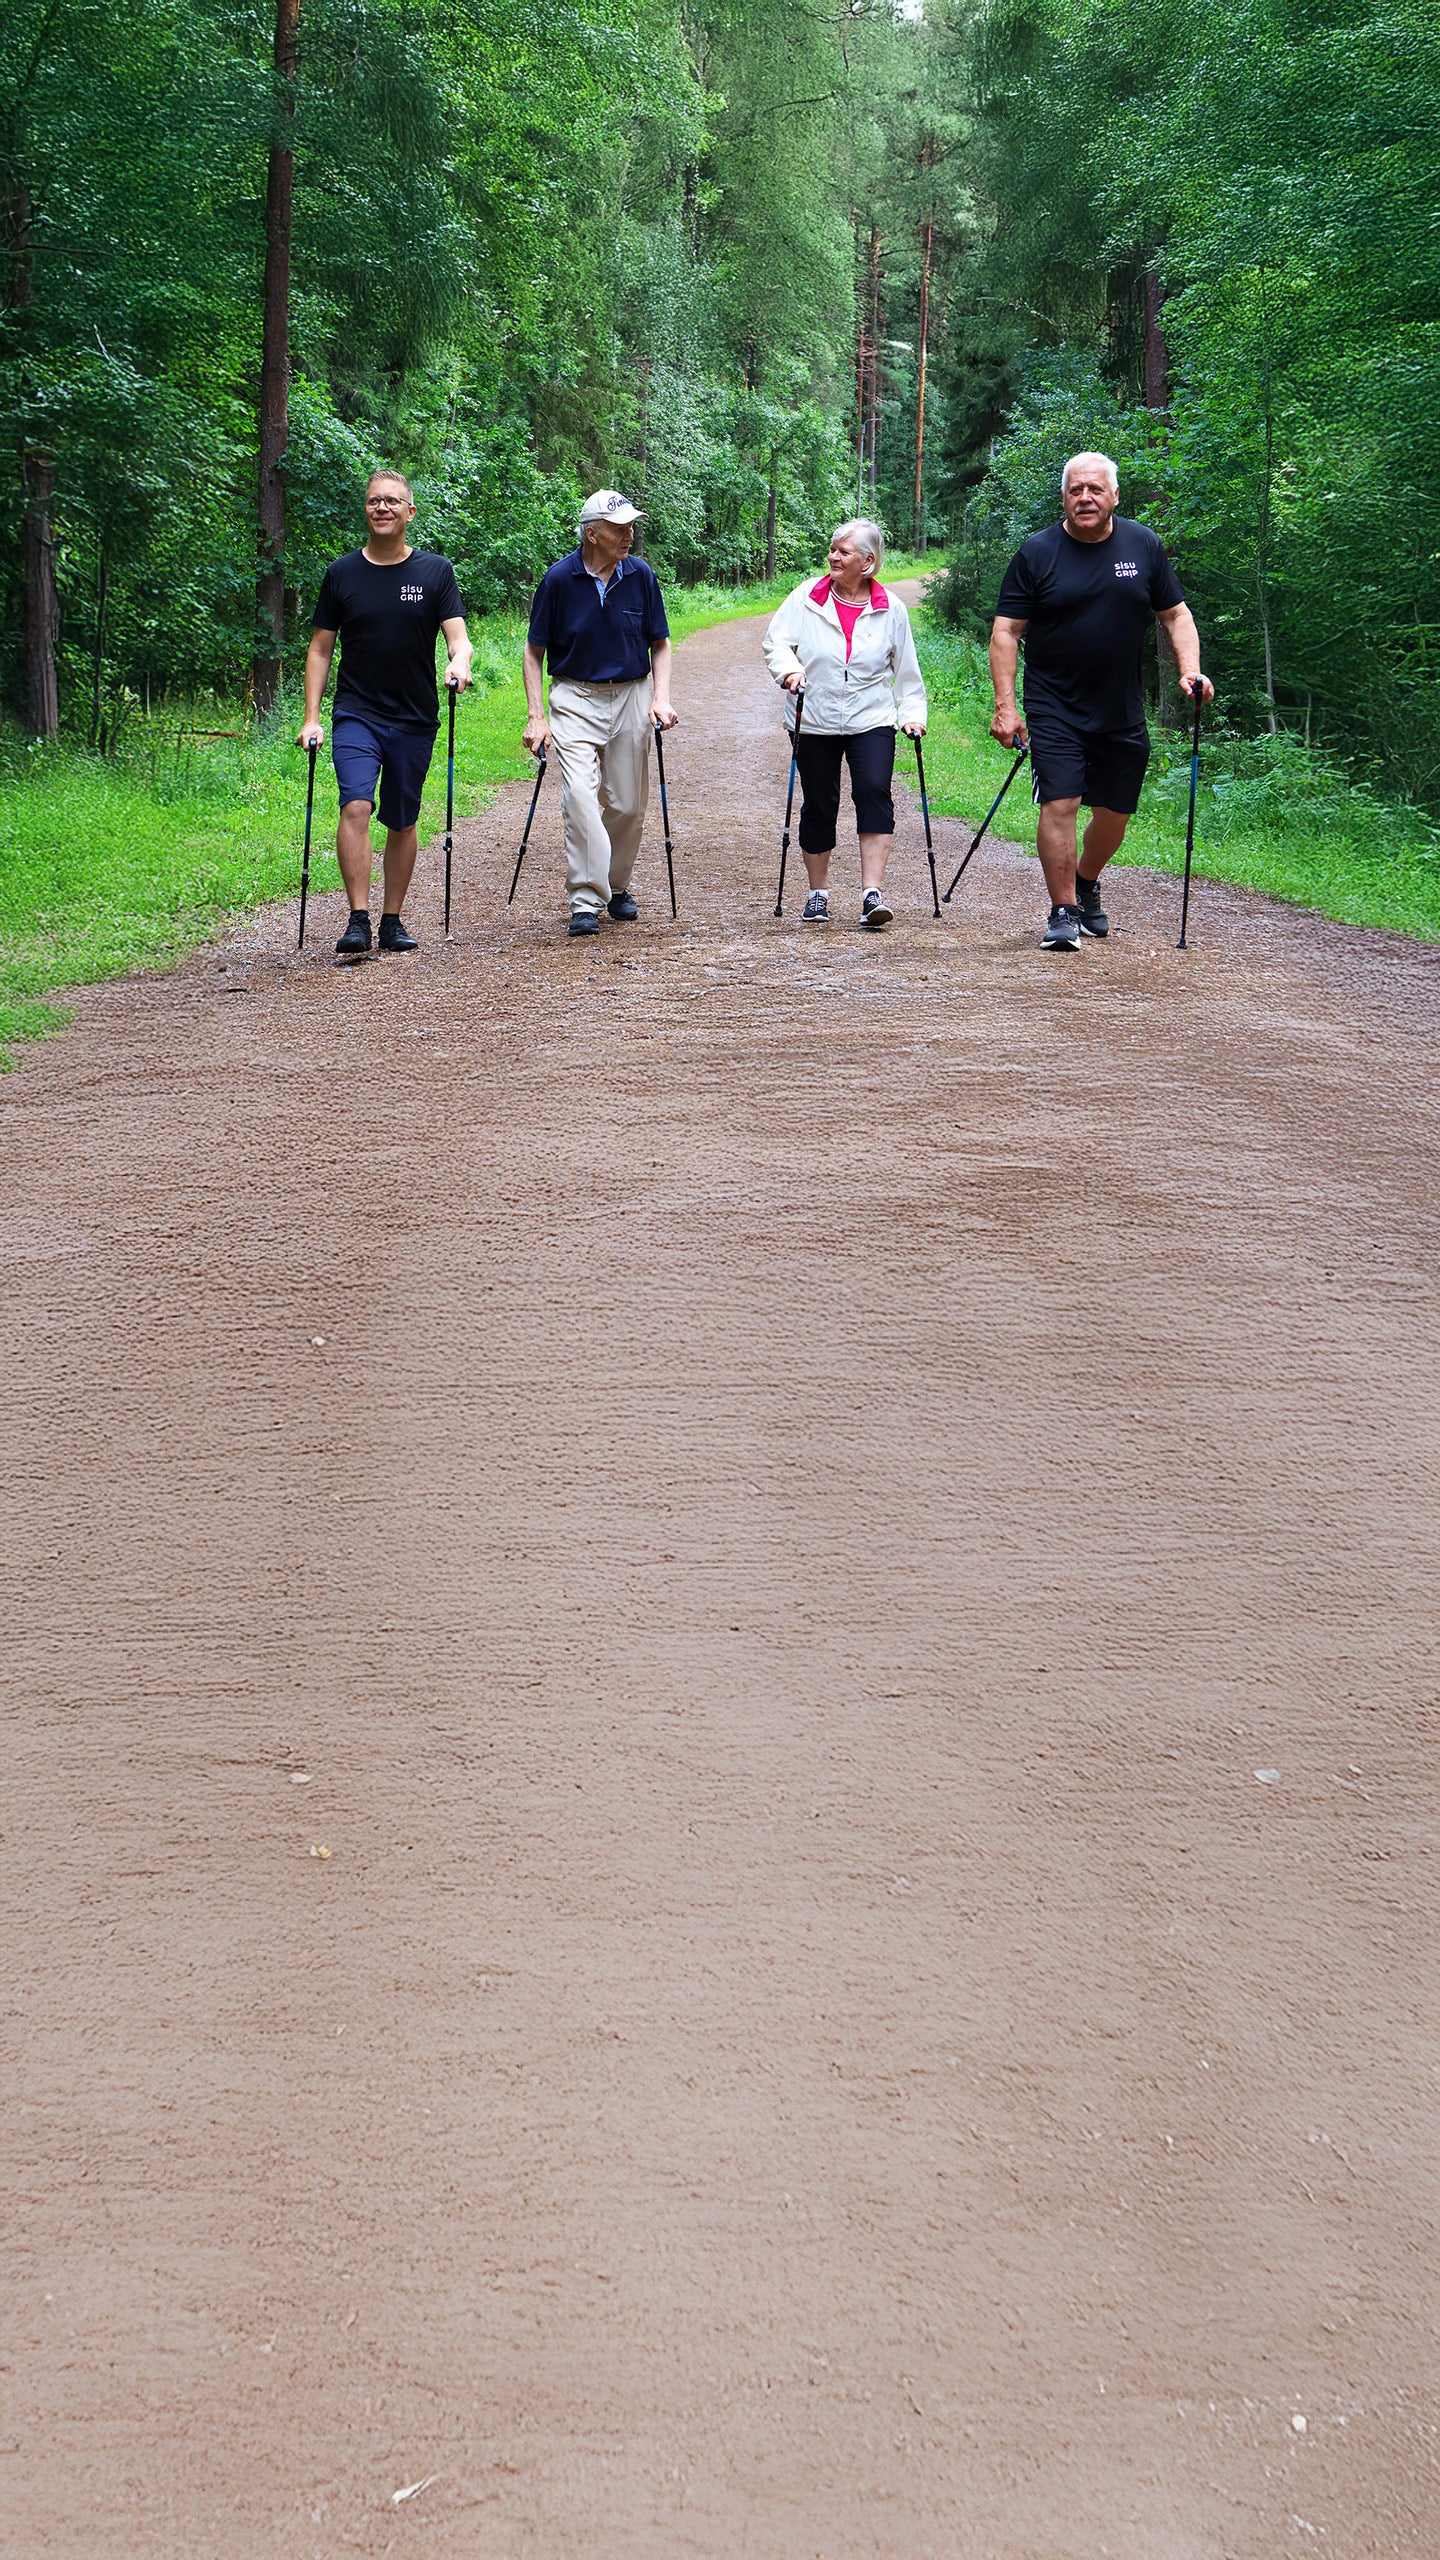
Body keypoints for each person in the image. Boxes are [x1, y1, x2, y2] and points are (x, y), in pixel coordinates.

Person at [990, 450, 1212, 952]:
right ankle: (1064, 909)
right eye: (1075, 490)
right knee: (1061, 799)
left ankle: (1087, 881)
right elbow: (1006, 632)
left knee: (1115, 813)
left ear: (1114, 496)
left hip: (1120, 706)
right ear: (1064, 498)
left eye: (1095, 489)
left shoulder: (1143, 545)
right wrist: (1007, 705)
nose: (1085, 498)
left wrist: (1190, 671)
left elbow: (1176, 616)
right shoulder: (1037, 552)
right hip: (1053, 701)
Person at [299, 468, 472, 956]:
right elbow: (320, 650)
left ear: (409, 512)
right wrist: (312, 717)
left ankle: (391, 919)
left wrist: (459, 665)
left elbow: (459, 640)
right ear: (366, 509)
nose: (382, 508)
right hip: (357, 712)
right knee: (355, 803)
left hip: (415, 716)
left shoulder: (435, 572)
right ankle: (358, 918)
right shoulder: (342, 575)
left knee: (402, 819)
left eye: (393, 502)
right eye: (375, 501)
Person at [523, 491, 678, 938]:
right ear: (592, 533)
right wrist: (537, 716)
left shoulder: (641, 575)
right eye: (619, 528)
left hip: (632, 693)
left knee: (628, 805)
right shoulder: (558, 580)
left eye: (631, 526)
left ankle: (615, 883)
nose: (629, 535)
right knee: (579, 796)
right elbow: (534, 652)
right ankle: (586, 900)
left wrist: (660, 697)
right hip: (574, 696)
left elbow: (660, 643)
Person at [761, 519, 927, 930]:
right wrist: (789, 671)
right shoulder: (806, 597)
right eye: (833, 549)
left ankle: (872, 894)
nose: (834, 557)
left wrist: (912, 715)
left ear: (868, 562)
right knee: (820, 802)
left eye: (844, 552)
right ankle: (818, 894)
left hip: (871, 717)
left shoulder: (891, 608)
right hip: (813, 716)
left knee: (873, 792)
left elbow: (905, 669)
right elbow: (776, 642)